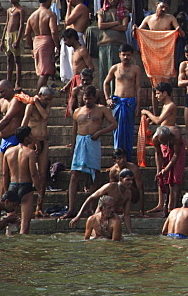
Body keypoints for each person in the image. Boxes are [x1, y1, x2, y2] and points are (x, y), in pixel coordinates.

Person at [65, 86, 116, 218]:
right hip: (80, 142)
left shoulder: (101, 109)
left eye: (90, 98)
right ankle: (71, 209)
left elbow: (114, 124)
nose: (87, 101)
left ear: (95, 98)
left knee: (96, 174)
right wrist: (73, 147)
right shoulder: (77, 111)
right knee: (74, 174)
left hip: (93, 142)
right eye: (85, 98)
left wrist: (99, 132)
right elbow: (74, 130)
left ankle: (91, 207)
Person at [103, 43, 144, 158]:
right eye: (124, 55)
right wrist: (107, 99)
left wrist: (138, 105)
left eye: (128, 55)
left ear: (132, 56)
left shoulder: (136, 69)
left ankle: (127, 156)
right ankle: (117, 155)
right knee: (117, 129)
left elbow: (138, 88)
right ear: (119, 55)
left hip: (130, 103)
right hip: (117, 102)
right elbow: (106, 83)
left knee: (128, 130)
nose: (126, 57)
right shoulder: (115, 68)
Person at [68, 168, 136, 235]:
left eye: (131, 180)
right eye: (128, 180)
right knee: (97, 238)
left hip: (111, 217)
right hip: (100, 216)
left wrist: (131, 233)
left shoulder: (128, 193)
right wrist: (78, 216)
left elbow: (126, 215)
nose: (131, 182)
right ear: (121, 179)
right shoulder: (110, 187)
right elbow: (91, 198)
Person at [22, 86, 55, 216]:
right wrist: (32, 142)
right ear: (40, 95)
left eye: (49, 100)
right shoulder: (30, 107)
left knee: (42, 175)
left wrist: (37, 101)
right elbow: (23, 126)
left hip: (44, 142)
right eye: (46, 99)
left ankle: (39, 207)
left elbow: (45, 116)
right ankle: (25, 206)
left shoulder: (46, 106)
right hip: (31, 142)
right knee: (29, 174)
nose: (47, 101)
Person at [2, 126, 38, 234]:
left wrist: (6, 191)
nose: (32, 137)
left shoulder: (7, 152)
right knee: (25, 225)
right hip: (26, 186)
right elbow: (33, 173)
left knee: (10, 224)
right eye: (30, 135)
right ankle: (22, 250)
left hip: (12, 186)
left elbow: (4, 174)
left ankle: (9, 247)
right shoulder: (30, 153)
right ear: (26, 137)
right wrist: (39, 189)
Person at [24, 0, 59, 87]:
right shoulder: (50, 14)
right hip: (46, 42)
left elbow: (27, 34)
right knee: (44, 72)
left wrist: (32, 47)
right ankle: (37, 95)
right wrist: (58, 46)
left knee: (42, 71)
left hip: (36, 41)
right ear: (48, 0)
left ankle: (41, 94)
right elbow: (53, 31)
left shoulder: (32, 16)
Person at [97, 0, 129, 87]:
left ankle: (116, 95)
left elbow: (124, 27)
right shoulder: (102, 11)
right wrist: (115, 23)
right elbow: (100, 25)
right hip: (104, 45)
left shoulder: (124, 12)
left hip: (118, 45)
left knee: (118, 72)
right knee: (104, 71)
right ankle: (105, 96)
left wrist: (108, 26)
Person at [150, 124, 186, 215]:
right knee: (163, 178)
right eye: (162, 141)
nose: (164, 142)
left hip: (177, 150)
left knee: (176, 177)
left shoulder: (176, 135)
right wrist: (160, 170)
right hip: (165, 149)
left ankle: (173, 206)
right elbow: (158, 154)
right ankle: (162, 204)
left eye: (165, 140)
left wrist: (167, 169)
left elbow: (176, 155)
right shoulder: (155, 139)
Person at [0, 0, 25, 87]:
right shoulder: (9, 10)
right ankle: (8, 82)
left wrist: (18, 40)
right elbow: (6, 24)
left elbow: (22, 25)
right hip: (8, 36)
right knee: (9, 60)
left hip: (16, 35)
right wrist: (2, 40)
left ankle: (17, 82)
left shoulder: (20, 10)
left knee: (17, 60)